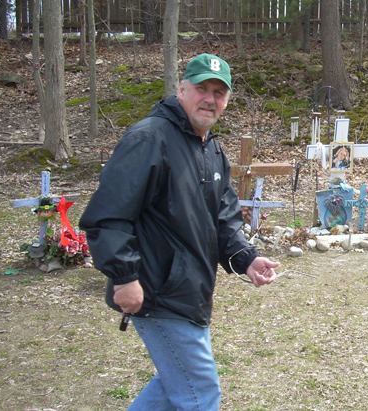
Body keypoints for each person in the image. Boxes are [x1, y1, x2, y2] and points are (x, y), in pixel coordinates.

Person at [79, 53, 278, 410]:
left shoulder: (211, 150)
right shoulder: (149, 140)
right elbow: (108, 216)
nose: (210, 99)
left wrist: (245, 259)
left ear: (227, 100)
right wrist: (124, 277)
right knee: (200, 394)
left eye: (219, 92)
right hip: (158, 293)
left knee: (174, 388)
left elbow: (224, 219)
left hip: (191, 293)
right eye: (202, 88)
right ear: (182, 89)